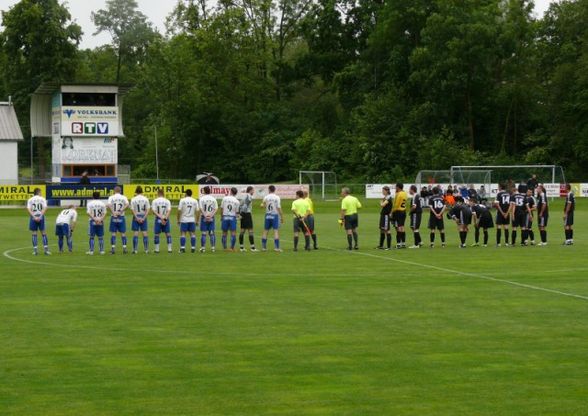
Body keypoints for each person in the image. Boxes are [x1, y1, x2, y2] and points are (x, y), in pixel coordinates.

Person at [27, 188, 50, 256]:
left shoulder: (30, 199)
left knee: (34, 233)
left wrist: (34, 217)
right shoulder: (42, 199)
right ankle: (46, 251)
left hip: (33, 217)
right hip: (41, 217)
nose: (41, 193)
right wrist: (40, 216)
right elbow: (45, 208)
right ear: (38, 192)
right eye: (40, 192)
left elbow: (28, 209)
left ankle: (35, 251)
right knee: (43, 232)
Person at [106, 186, 129, 254]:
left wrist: (113, 212)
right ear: (120, 191)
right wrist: (121, 210)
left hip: (114, 216)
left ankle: (113, 248)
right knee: (123, 233)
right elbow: (127, 205)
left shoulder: (111, 197)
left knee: (113, 233)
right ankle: (124, 248)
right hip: (121, 216)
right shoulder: (123, 197)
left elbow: (109, 205)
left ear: (114, 191)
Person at [261, 185, 283, 252]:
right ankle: (276, 248)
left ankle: (264, 247)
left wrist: (263, 205)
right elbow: (278, 208)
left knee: (265, 231)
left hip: (267, 215)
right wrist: (282, 216)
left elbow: (262, 205)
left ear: (269, 190)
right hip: (274, 215)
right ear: (274, 190)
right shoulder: (277, 197)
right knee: (275, 231)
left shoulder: (266, 197)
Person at [177, 189, 200, 253]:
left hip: (184, 219)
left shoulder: (182, 200)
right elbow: (198, 211)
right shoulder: (195, 200)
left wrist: (178, 220)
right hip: (192, 219)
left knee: (183, 233)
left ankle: (182, 248)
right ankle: (193, 248)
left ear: (186, 194)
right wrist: (197, 220)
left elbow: (179, 210)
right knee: (192, 234)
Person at [130, 186, 151, 254]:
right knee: (144, 233)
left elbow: (132, 209)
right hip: (143, 216)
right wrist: (144, 218)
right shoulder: (145, 199)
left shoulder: (133, 199)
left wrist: (136, 217)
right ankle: (146, 249)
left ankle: (135, 250)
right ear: (142, 192)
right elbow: (148, 209)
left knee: (136, 233)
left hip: (136, 216)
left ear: (136, 191)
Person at [152, 189, 173, 254]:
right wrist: (165, 218)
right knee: (168, 234)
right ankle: (169, 249)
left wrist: (160, 217)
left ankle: (157, 250)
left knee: (157, 234)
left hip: (158, 218)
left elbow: (154, 211)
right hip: (165, 218)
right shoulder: (167, 201)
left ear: (158, 193)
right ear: (163, 193)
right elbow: (169, 210)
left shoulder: (155, 201)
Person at [86, 191, 107, 255]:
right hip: (100, 221)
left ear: (92, 196)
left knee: (92, 237)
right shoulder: (102, 203)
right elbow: (105, 213)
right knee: (100, 237)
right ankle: (101, 251)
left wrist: (94, 219)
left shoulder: (90, 203)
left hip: (92, 221)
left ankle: (91, 251)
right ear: (99, 196)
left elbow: (88, 213)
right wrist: (100, 220)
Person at [238, 186, 258, 252]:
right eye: (253, 190)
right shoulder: (249, 196)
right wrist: (243, 213)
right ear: (250, 190)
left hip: (243, 214)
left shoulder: (243, 196)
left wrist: (240, 213)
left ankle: (241, 247)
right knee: (250, 230)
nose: (253, 192)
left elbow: (240, 205)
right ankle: (252, 248)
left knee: (242, 230)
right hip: (247, 214)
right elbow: (246, 205)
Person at [199, 186, 218, 252]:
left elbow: (201, 209)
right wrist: (210, 216)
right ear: (209, 191)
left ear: (204, 191)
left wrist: (205, 216)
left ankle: (203, 248)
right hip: (211, 217)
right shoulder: (213, 199)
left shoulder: (202, 199)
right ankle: (213, 248)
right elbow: (216, 209)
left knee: (204, 233)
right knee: (212, 232)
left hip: (204, 217)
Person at [392, 183, 408, 249]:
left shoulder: (398, 194)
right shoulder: (405, 193)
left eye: (396, 187)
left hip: (398, 211)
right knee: (402, 227)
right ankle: (403, 243)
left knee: (398, 227)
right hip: (404, 211)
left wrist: (392, 212)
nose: (395, 188)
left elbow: (396, 204)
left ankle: (398, 244)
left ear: (398, 187)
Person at [377, 186, 393, 250]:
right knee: (382, 229)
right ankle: (381, 245)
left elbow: (382, 205)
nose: (382, 192)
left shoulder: (389, 198)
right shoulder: (385, 197)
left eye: (383, 190)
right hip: (383, 215)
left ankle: (389, 247)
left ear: (386, 191)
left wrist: (381, 202)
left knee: (387, 230)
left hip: (386, 216)